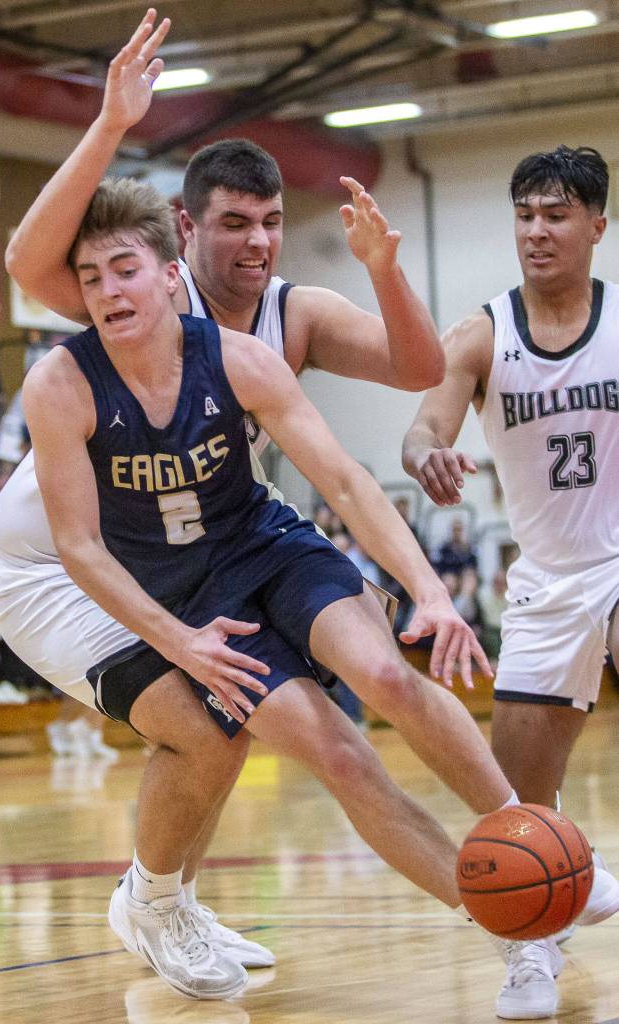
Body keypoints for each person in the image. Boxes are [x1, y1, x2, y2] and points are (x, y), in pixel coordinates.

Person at [0, 164, 554, 1008]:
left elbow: (350, 486)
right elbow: (79, 547)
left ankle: (533, 836)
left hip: (263, 542)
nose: (108, 290)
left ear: (170, 274)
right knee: (337, 753)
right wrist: (179, 642)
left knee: (391, 674)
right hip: (176, 589)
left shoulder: (243, 359)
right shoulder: (62, 384)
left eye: (127, 270)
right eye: (92, 277)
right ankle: (518, 932)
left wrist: (428, 591)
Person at [0, 7, 448, 975]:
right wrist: (114, 120)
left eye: (272, 223)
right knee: (211, 720)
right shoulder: (137, 293)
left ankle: (168, 900)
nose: (257, 243)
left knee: (242, 717)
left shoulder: (284, 317)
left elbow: (411, 377)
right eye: (234, 224)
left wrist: (384, 273)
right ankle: (153, 900)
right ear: (183, 243)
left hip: (177, 549)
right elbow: (26, 260)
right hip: (65, 560)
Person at [403, 143, 619, 1016]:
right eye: (525, 213)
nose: (537, 230)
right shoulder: (482, 333)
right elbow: (423, 427)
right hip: (546, 582)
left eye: (557, 213)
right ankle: (536, 945)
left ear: (597, 225)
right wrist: (428, 458)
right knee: (516, 804)